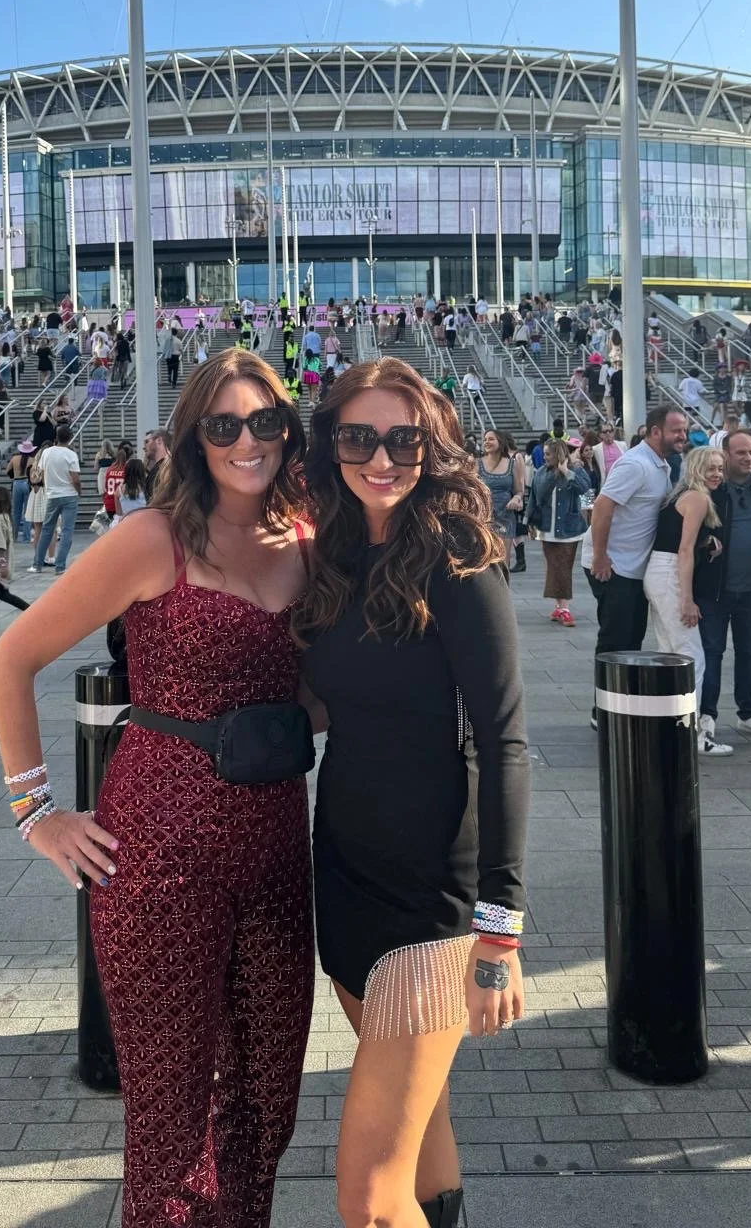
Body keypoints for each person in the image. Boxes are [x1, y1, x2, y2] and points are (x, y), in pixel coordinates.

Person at [0, 349, 314, 1228]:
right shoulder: (150, 538)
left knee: (267, 1107)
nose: (248, 441)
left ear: (290, 430)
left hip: (278, 849)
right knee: (174, 1132)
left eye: (265, 422)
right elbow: (9, 661)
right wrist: (38, 814)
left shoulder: (307, 540)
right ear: (193, 437)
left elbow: (320, 694)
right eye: (224, 425)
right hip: (160, 855)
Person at [294, 357, 527, 1228]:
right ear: (333, 445)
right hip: (346, 875)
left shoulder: (461, 560)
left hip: (436, 899)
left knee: (368, 1197)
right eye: (360, 437)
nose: (382, 458)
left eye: (405, 439)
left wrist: (500, 927)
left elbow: (507, 742)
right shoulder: (340, 554)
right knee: (422, 1130)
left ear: (434, 447)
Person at [585, 408, 690, 688]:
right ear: (656, 432)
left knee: (631, 639)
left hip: (633, 567)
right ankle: (604, 709)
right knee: (615, 640)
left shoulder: (662, 462)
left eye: (684, 429)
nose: (683, 436)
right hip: (614, 565)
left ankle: (622, 702)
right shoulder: (636, 464)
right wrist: (600, 557)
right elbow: (603, 507)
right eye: (677, 430)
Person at [641, 447, 733, 757]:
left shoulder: (680, 494)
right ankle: (690, 735)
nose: (717, 473)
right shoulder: (698, 498)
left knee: (670, 652)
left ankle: (669, 729)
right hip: (669, 573)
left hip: (658, 571)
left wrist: (708, 540)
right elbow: (684, 551)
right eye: (710, 468)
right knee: (691, 656)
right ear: (695, 468)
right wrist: (688, 600)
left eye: (720, 468)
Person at [694, 430, 751, 746]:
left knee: (750, 651)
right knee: (712, 653)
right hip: (715, 590)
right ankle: (707, 717)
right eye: (740, 452)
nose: (748, 458)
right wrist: (705, 543)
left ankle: (748, 714)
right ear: (726, 455)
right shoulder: (711, 490)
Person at [526, 438, 591, 625]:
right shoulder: (540, 473)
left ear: (558, 454)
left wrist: (566, 472)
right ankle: (559, 607)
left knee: (563, 566)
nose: (544, 457)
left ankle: (564, 608)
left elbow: (585, 489)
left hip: (569, 528)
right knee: (554, 567)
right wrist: (528, 521)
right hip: (546, 527)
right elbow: (534, 498)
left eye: (548, 454)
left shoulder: (575, 470)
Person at [30, 426, 80, 576]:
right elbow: (75, 478)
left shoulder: (46, 452)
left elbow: (43, 472)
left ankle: (37, 564)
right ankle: (60, 566)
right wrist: (79, 491)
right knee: (66, 531)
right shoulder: (71, 455)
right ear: (70, 438)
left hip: (52, 494)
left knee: (47, 529)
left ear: (56, 437)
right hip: (69, 494)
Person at [476, 429, 526, 572]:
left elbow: (519, 490)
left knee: (503, 563)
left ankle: (503, 592)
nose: (487, 442)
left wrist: (517, 498)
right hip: (483, 518)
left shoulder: (512, 464)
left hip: (505, 517)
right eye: (485, 439)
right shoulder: (476, 464)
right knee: (483, 563)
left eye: (491, 439)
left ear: (500, 442)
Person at [0, 486, 30, 634]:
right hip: (1, 562)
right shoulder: (4, 516)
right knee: (4, 595)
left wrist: (2, 565)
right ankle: (30, 610)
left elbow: (0, 544)